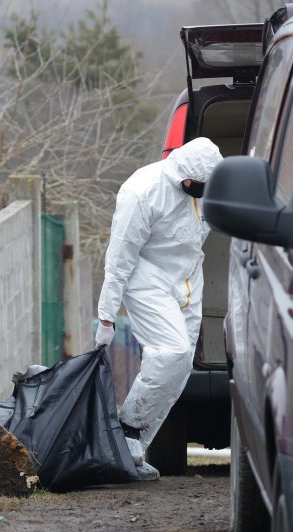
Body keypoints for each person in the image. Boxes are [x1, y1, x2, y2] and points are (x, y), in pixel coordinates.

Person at [95, 137, 223, 480]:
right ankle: (127, 430)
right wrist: (106, 317)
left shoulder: (202, 186)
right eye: (198, 187)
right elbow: (119, 260)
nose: (202, 192)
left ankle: (132, 453)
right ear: (184, 177)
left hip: (189, 277)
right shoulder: (143, 192)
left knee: (180, 366)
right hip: (147, 279)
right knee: (171, 351)